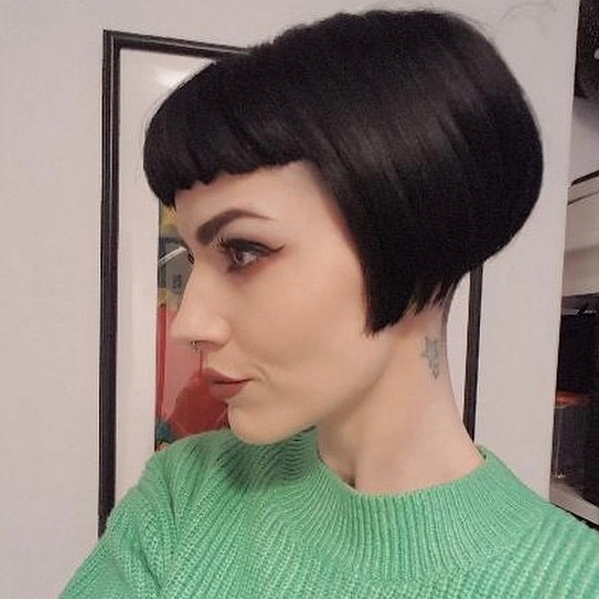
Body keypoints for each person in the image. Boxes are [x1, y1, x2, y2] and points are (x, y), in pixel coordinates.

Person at [59, 8, 599, 598]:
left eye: (243, 252)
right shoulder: (184, 496)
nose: (190, 323)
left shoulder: (575, 581)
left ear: (413, 235)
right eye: (193, 260)